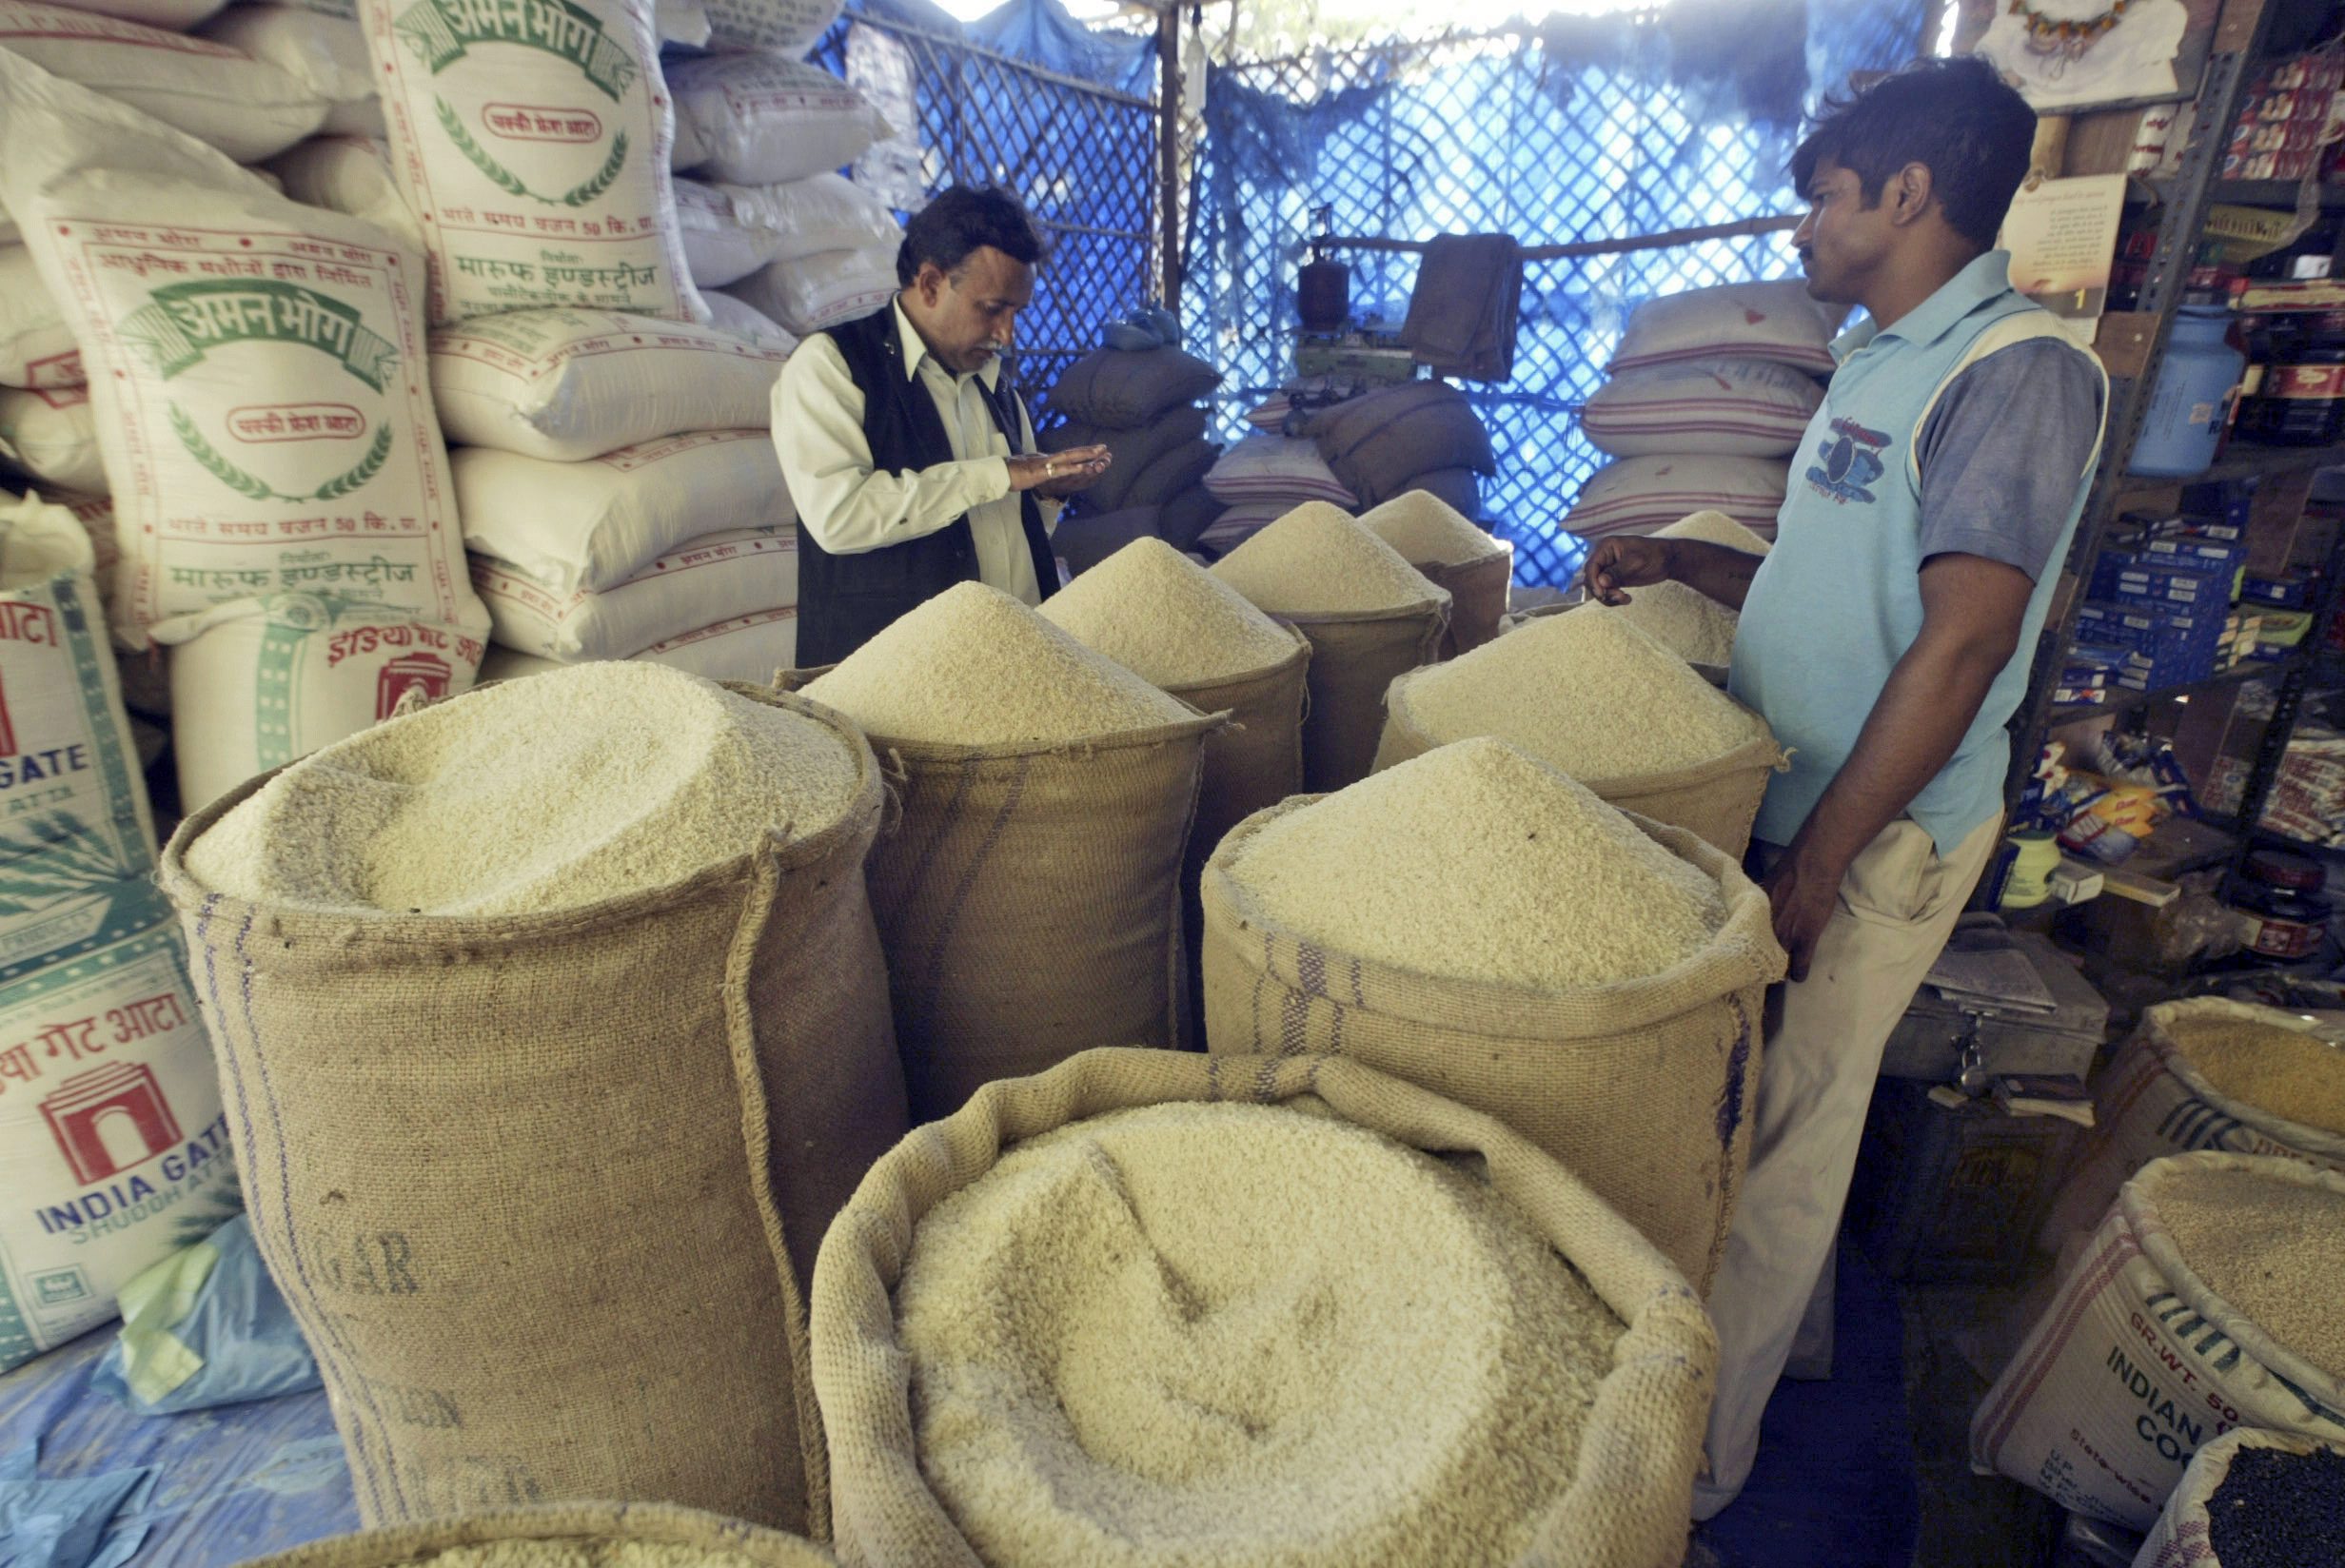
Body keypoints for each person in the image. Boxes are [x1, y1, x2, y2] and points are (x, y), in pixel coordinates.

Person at [1578, 56, 2108, 1519]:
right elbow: (1843, 584)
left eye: (1823, 196)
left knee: (1786, 1133)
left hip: (1875, 835)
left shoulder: (2015, 371)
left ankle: (1692, 1471)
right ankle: (1782, 1354)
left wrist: (1819, 861)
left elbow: (1962, 646)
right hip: (1801, 801)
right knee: (1777, 1109)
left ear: (1908, 193)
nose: (1803, 225)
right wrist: (1688, 561)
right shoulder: (1878, 358)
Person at [771, 185, 1112, 665]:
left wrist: (1050, 494)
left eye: (1018, 313)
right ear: (930, 284)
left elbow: (1003, 532)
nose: (1008, 334)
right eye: (993, 308)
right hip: (889, 687)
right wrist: (1001, 473)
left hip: (1005, 673)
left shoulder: (994, 388)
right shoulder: (832, 367)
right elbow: (838, 517)